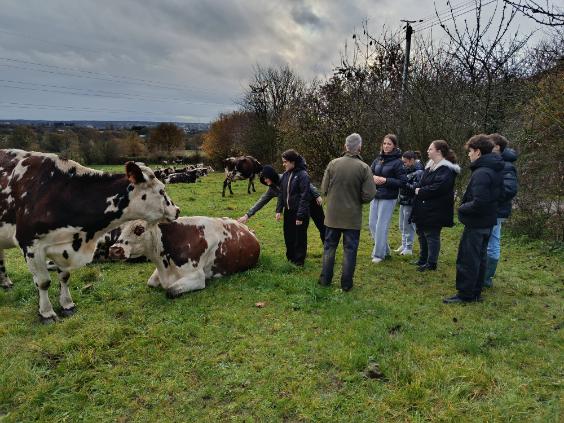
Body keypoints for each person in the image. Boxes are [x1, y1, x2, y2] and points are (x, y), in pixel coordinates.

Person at [444, 134, 503, 304]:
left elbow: (479, 202)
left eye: (470, 151)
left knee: (468, 258)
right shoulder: (494, 169)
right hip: (487, 221)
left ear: (477, 152)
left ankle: (466, 294)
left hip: (477, 223)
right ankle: (476, 292)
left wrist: (462, 207)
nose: (468, 155)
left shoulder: (482, 173)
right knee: (480, 257)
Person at [319, 133, 377, 291]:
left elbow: (324, 189)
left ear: (345, 147)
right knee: (350, 251)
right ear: (359, 147)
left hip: (332, 216)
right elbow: (370, 194)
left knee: (329, 247)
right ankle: (346, 284)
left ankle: (325, 280)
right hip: (352, 217)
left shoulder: (332, 164)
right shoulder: (364, 168)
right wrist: (357, 199)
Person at [237, 165, 326, 242]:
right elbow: (261, 201)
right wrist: (247, 215)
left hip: (312, 201)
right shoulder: (272, 189)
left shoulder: (285, 177)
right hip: (298, 207)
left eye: (266, 178)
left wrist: (316, 195)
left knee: (321, 226)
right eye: (263, 179)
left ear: (271, 175)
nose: (265, 181)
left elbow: (306, 183)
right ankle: (298, 254)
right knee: (298, 231)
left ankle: (327, 246)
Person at [410, 140, 460, 271]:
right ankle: (423, 259)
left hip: (437, 208)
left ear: (439, 151)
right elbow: (422, 182)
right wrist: (415, 188)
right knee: (421, 233)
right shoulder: (430, 166)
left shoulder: (446, 169)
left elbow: (438, 188)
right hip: (423, 207)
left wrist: (420, 191)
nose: (427, 151)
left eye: (430, 149)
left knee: (431, 235)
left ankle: (431, 263)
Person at [484, 133, 518, 288]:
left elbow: (510, 189)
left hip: (497, 210)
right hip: (489, 209)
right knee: (487, 241)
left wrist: (490, 197)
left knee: (492, 242)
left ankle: (486, 277)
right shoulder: (494, 162)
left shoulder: (507, 166)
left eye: (489, 143)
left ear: (497, 147)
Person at [368, 134, 406, 263]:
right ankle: (385, 250)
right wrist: (372, 177)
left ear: (394, 145)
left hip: (389, 197)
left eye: (389, 144)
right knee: (372, 224)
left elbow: (402, 182)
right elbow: (369, 172)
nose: (386, 146)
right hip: (375, 195)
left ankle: (379, 255)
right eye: (384, 143)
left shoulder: (398, 162)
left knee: (381, 226)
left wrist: (385, 180)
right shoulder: (378, 159)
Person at [276, 149, 311, 266]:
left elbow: (304, 196)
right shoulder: (285, 175)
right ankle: (290, 258)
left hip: (300, 213)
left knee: (299, 237)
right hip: (288, 212)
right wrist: (279, 210)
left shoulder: (303, 175)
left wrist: (300, 216)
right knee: (288, 235)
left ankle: (299, 261)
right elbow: (281, 194)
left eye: (285, 162)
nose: (283, 164)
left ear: (293, 162)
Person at [395, 151, 424, 256]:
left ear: (412, 160)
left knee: (408, 225)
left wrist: (403, 183)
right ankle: (404, 244)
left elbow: (415, 187)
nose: (404, 164)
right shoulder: (404, 170)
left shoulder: (419, 172)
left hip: (411, 202)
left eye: (405, 162)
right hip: (403, 200)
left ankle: (409, 247)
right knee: (401, 225)